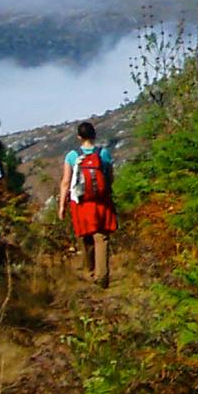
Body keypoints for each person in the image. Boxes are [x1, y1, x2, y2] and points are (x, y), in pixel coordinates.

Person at [58, 121, 117, 288]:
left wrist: (62, 205)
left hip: (81, 203)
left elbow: (66, 182)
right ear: (94, 135)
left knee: (85, 236)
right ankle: (102, 276)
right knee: (101, 237)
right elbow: (110, 178)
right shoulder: (104, 153)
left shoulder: (72, 156)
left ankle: (90, 272)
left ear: (79, 137)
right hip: (101, 201)